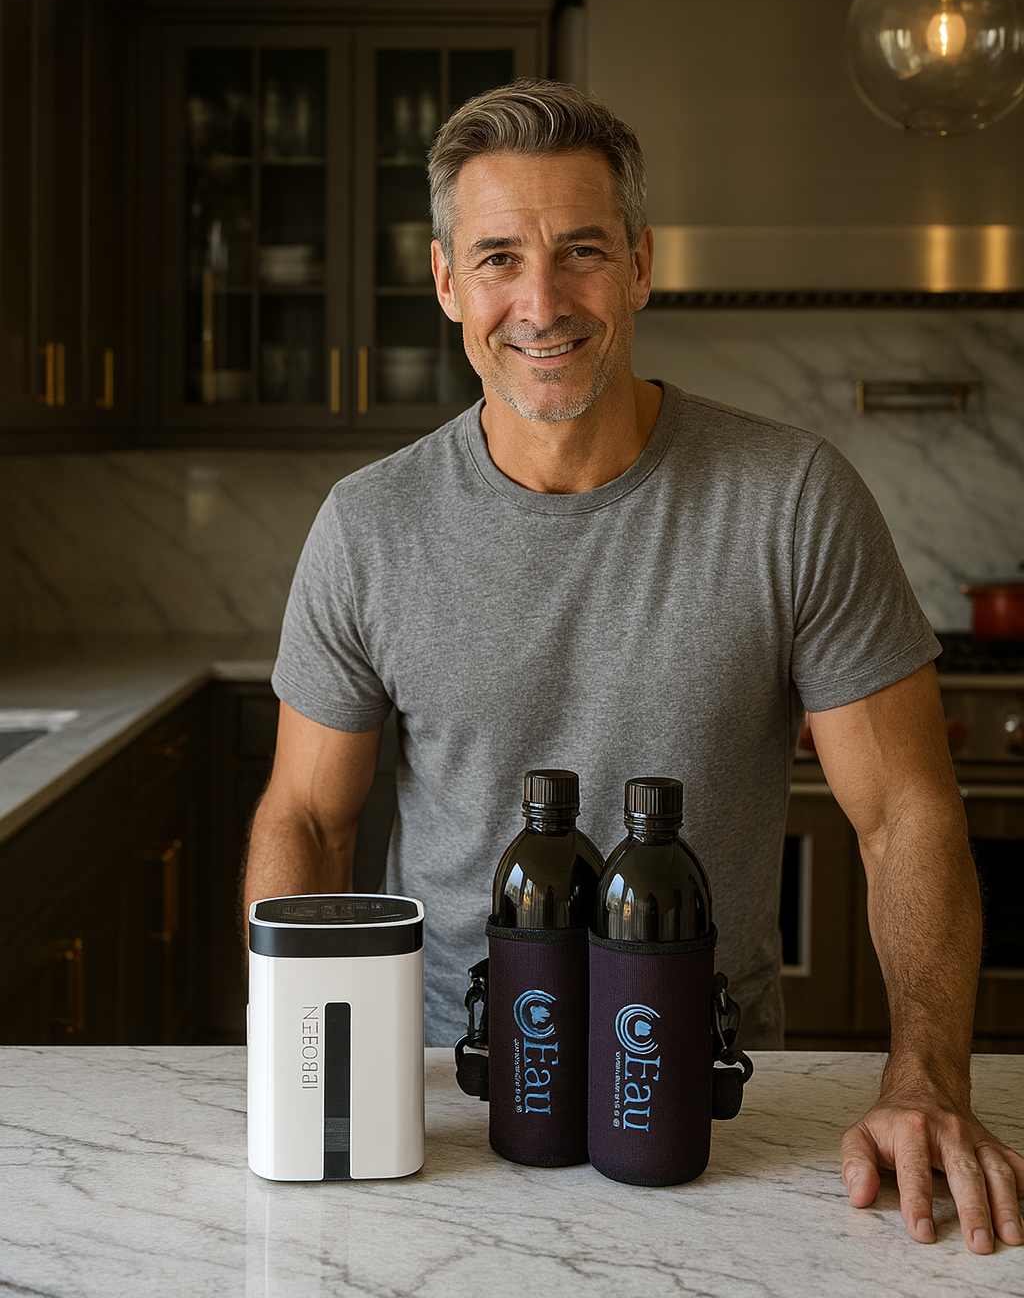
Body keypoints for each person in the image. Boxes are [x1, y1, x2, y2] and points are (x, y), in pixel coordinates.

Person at [244, 79, 1023, 1253]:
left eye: (582, 253)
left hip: (717, 1095)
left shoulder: (792, 500)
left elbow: (905, 813)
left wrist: (927, 1079)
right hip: (450, 1101)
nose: (542, 301)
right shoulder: (369, 527)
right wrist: (306, 1066)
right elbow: (306, 818)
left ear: (642, 267)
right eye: (499, 258)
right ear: (449, 282)